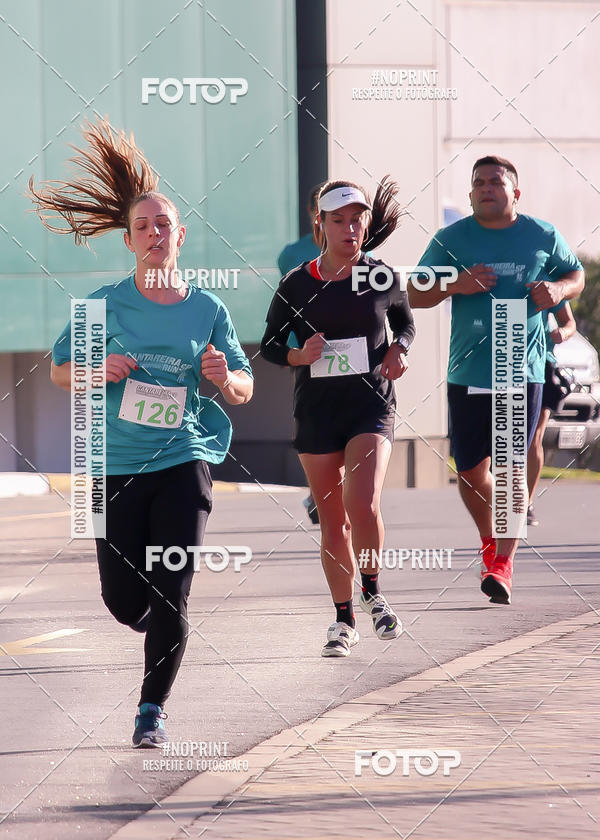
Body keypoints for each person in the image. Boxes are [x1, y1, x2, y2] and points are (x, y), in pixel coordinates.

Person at [30, 118, 253, 746]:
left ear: (180, 236)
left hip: (182, 462)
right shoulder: (102, 304)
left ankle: (150, 710)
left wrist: (225, 377)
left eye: (164, 225)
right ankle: (159, 621)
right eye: (142, 227)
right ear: (129, 242)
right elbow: (59, 372)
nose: (155, 234)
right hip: (113, 467)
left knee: (174, 590)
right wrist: (97, 370)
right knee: (126, 601)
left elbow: (243, 384)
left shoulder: (208, 308)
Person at [409, 155, 584, 605]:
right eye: (479, 183)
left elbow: (575, 275)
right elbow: (415, 292)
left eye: (496, 182)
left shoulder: (541, 235)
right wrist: (454, 285)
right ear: (471, 195)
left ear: (515, 193)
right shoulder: (452, 238)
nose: (487, 188)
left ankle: (503, 564)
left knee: (509, 470)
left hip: (517, 369)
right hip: (467, 370)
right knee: (469, 472)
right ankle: (491, 540)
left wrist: (559, 291)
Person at [261, 177, 415, 656]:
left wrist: (400, 349)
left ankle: (372, 591)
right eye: (339, 220)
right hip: (317, 413)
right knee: (333, 521)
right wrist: (298, 356)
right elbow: (268, 346)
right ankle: (343, 618)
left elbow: (405, 324)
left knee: (362, 502)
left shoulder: (381, 275)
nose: (351, 228)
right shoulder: (297, 284)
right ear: (320, 226)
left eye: (357, 219)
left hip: (371, 404)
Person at [277, 184, 324, 525]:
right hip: (308, 352)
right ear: (312, 214)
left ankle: (342, 491)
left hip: (355, 354)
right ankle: (318, 492)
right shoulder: (292, 255)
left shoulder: (360, 250)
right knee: (314, 421)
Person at [527, 300, 576, 525]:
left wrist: (562, 333)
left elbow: (569, 323)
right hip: (503, 364)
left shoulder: (544, 282)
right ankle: (502, 497)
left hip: (542, 366)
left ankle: (525, 502)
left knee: (535, 436)